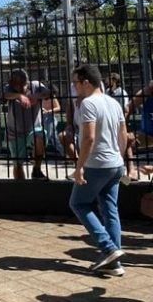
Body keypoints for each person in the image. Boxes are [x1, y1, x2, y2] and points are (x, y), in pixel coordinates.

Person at [69, 64, 127, 277]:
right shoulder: (113, 103)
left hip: (96, 164)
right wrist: (120, 158)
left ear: (86, 82)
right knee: (110, 209)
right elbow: (123, 134)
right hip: (115, 164)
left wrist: (79, 167)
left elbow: (89, 138)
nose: (74, 87)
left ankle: (108, 248)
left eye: (76, 83)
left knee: (78, 203)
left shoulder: (89, 103)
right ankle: (114, 263)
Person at [2, 69, 49, 180]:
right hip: (15, 130)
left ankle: (36, 169)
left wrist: (36, 96)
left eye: (21, 84)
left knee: (40, 136)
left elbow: (49, 93)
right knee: (18, 164)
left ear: (26, 81)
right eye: (15, 85)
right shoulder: (9, 88)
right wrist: (18, 96)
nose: (19, 87)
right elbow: (5, 95)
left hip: (34, 127)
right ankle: (21, 185)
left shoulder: (36, 85)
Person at [41, 84, 64, 157]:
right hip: (42, 118)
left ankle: (64, 154)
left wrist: (48, 111)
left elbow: (58, 108)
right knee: (46, 137)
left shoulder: (53, 98)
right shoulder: (42, 97)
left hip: (49, 119)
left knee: (49, 137)